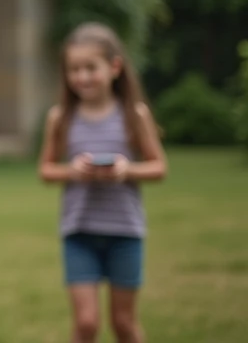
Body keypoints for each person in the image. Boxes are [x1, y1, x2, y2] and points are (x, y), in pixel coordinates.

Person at [38, 23, 166, 343]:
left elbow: (159, 167)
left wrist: (126, 170)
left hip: (125, 232)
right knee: (86, 324)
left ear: (114, 67)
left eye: (90, 68)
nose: (82, 77)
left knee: (124, 323)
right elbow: (46, 170)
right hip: (79, 233)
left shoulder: (134, 114)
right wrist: (73, 172)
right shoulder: (60, 117)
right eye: (74, 69)